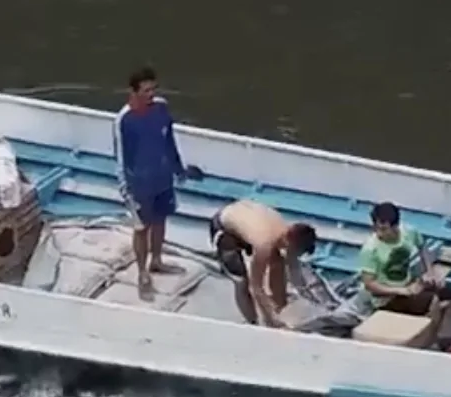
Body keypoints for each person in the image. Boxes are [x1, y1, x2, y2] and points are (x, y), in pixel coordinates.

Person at [114, 66, 201, 299]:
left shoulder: (161, 108)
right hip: (138, 184)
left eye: (153, 89)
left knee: (161, 219)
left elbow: (169, 140)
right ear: (133, 92)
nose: (151, 95)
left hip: (162, 178)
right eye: (145, 91)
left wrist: (178, 169)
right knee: (141, 228)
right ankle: (142, 272)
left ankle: (157, 260)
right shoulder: (124, 120)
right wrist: (126, 189)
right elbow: (121, 158)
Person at [211, 198, 318, 328]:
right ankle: (252, 323)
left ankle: (278, 312)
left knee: (278, 265)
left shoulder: (283, 232)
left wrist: (284, 309)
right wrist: (271, 320)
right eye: (294, 253)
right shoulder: (265, 243)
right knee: (242, 282)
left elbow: (284, 277)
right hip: (224, 227)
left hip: (246, 220)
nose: (293, 257)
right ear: (290, 243)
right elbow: (256, 287)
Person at [358, 201, 444, 313]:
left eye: (384, 229)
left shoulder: (409, 232)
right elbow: (369, 284)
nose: (379, 233)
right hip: (385, 299)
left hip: (408, 285)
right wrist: (400, 291)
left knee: (449, 289)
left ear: (395, 226)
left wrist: (429, 271)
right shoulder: (370, 249)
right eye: (376, 228)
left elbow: (422, 247)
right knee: (432, 301)